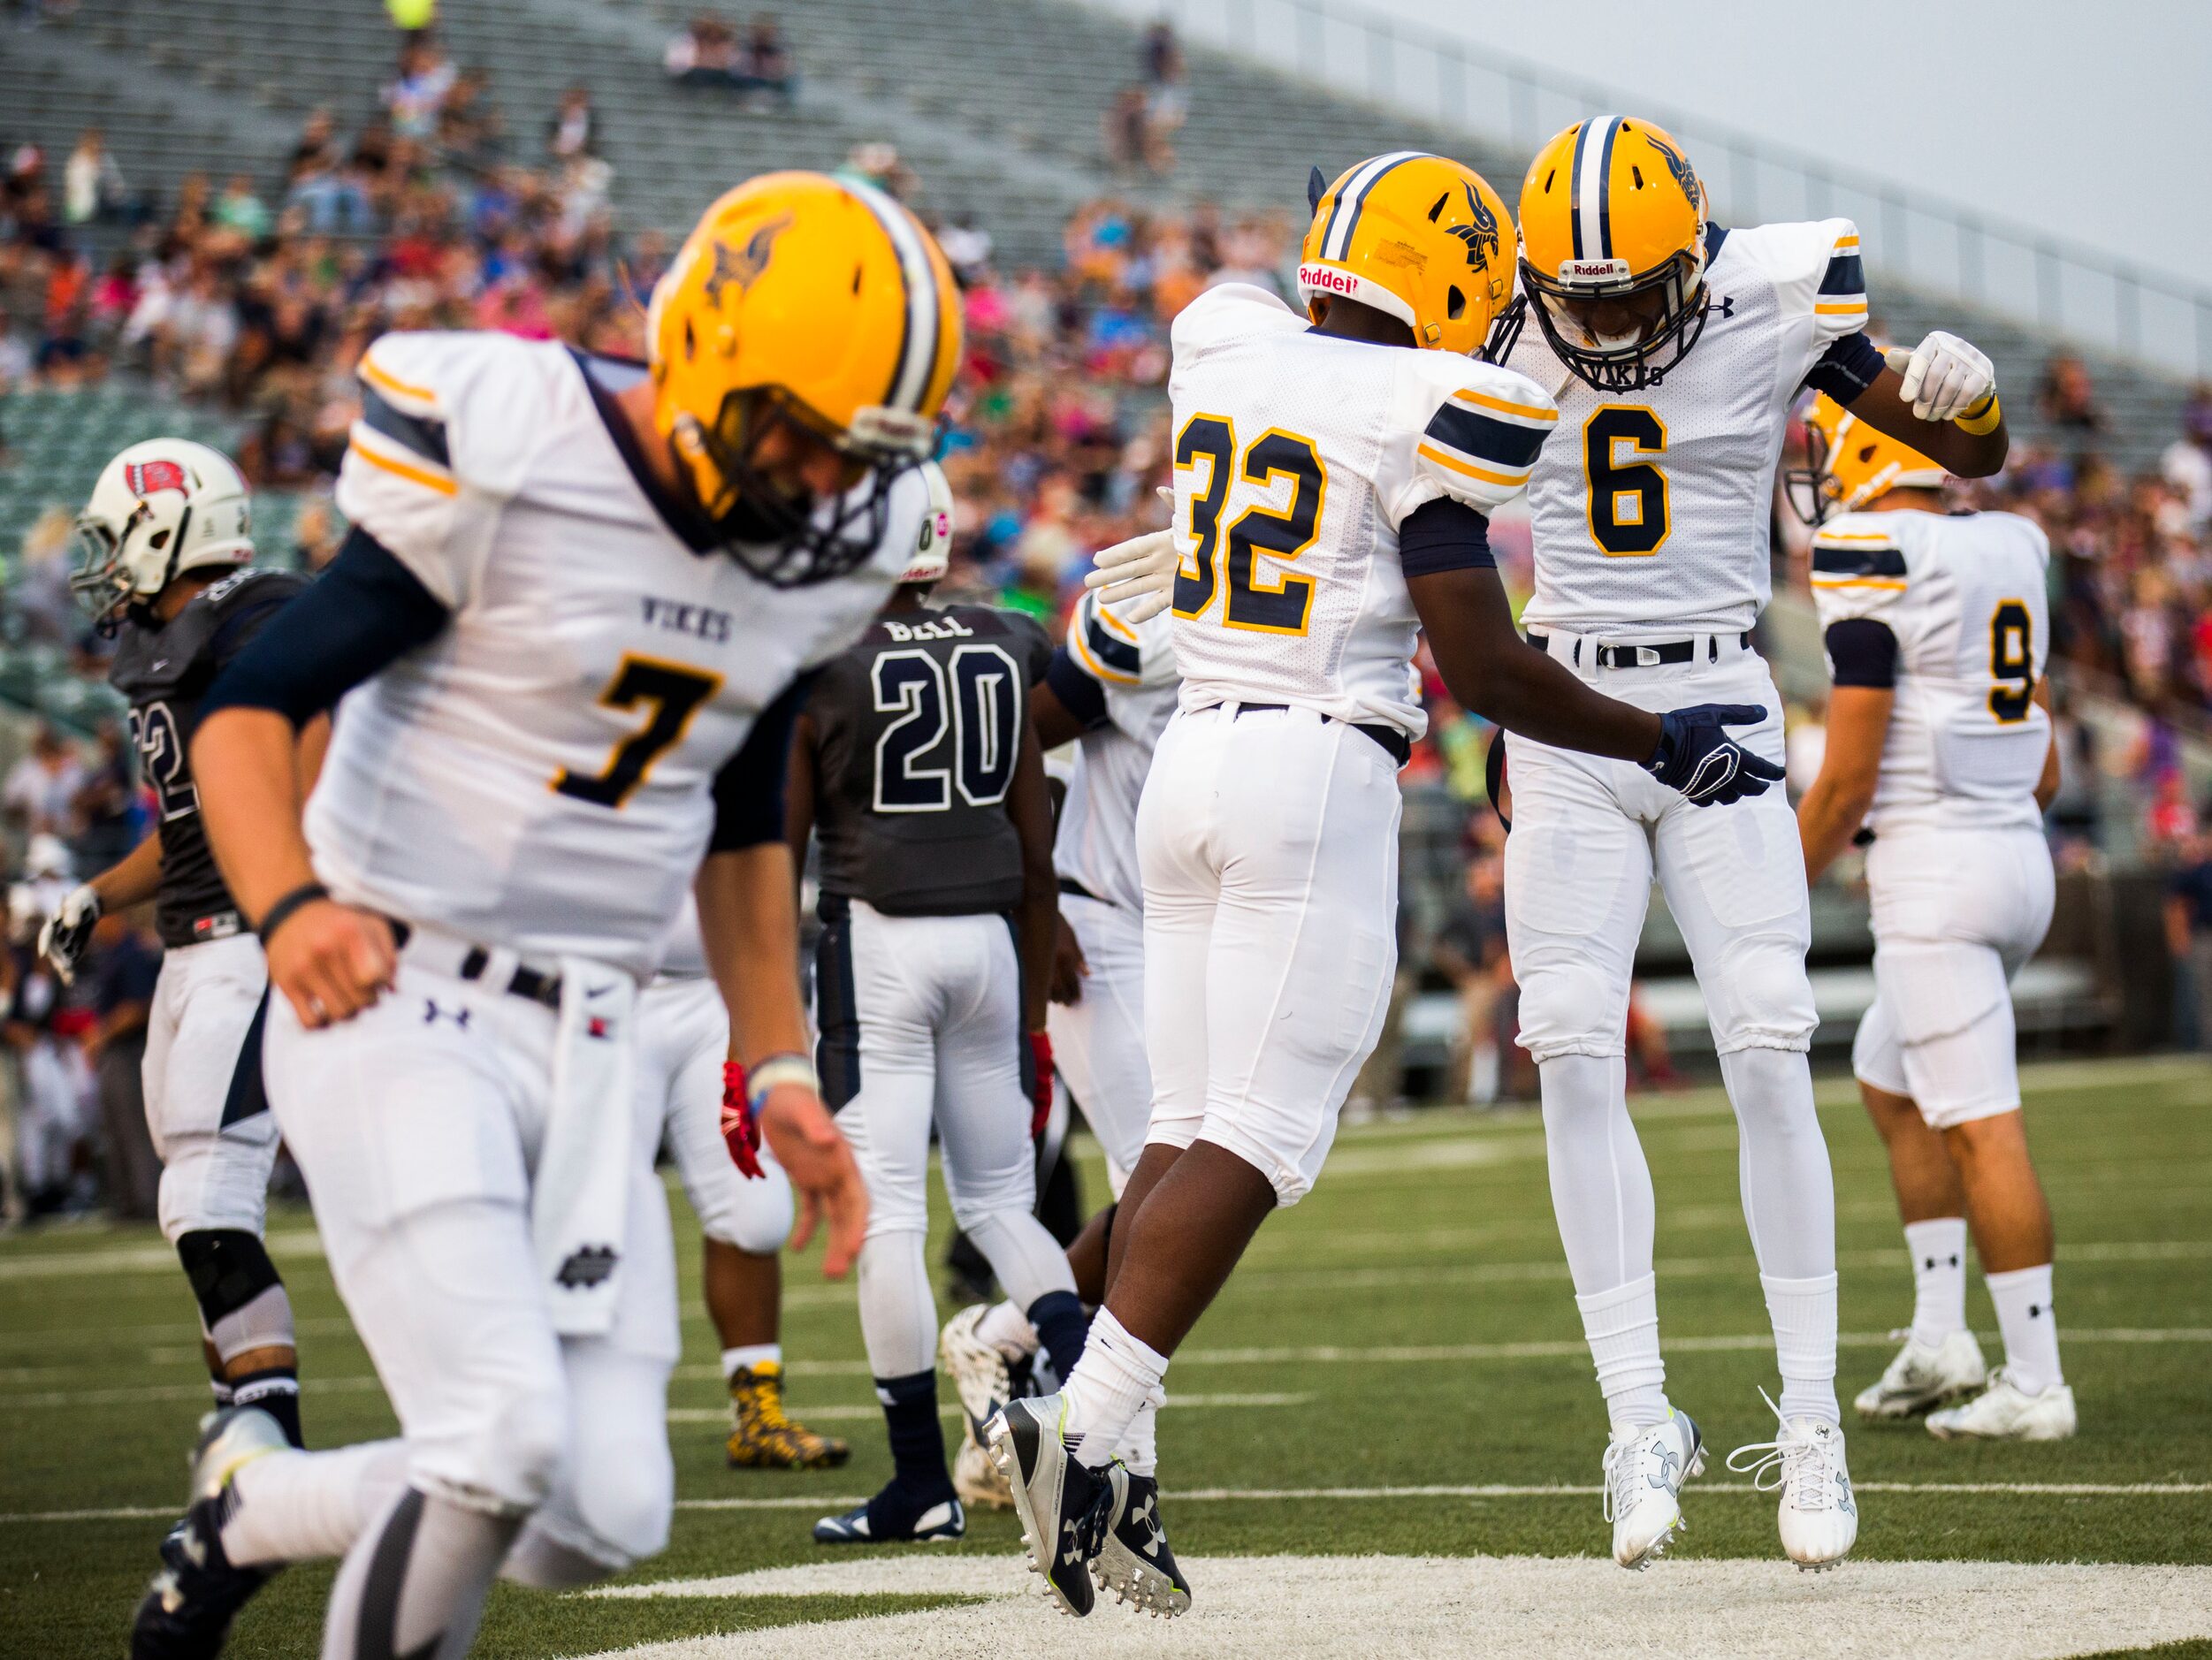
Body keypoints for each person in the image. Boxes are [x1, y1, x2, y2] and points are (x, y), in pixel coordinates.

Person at [128, 170, 956, 1660]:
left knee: (597, 1515)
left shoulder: (818, 553)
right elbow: (247, 712)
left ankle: (252, 1499)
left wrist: (776, 1067)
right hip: (400, 994)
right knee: (497, 1439)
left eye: (860, 457)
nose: (829, 483)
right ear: (704, 353)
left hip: (594, 1033)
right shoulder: (515, 444)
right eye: (804, 438)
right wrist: (294, 898)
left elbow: (740, 811)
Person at [988, 151, 1782, 1620]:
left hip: (1187, 767)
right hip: (1311, 766)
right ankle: (1081, 1423)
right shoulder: (1427, 404)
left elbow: (1275, 337)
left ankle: (1086, 1427)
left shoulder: (1221, 337)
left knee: (1185, 1121)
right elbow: (1481, 665)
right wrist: (1658, 738)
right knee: (1269, 1138)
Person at [1499, 115, 2009, 1570]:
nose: (1594, 324)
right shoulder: (1495, 322)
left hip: (1720, 686)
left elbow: (1959, 441)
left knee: (1771, 1039)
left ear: (1695, 256)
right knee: (1573, 1043)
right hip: (1566, 700)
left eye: (1623, 291)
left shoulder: (1776, 297)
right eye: (1571, 294)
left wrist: (1961, 400)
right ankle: (1635, 1414)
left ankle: (1808, 1419)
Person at [787, 461, 1086, 1546]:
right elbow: (1037, 833)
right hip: (994, 945)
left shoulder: (819, 660)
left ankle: (919, 1484)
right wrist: (1041, 1008)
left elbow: (777, 858)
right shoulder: (1007, 639)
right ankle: (1097, 1433)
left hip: (881, 946)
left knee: (889, 1225)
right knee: (1006, 1208)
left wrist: (760, 1036)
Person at [1793, 394, 2071, 1441]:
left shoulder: (1871, 546)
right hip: (2015, 856)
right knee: (1887, 1076)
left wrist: (1783, 881)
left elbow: (1851, 776)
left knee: (1979, 1125)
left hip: (1937, 873)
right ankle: (1940, 1334)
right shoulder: (2009, 542)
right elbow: (2041, 756)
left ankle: (2037, 1381)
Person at [39, 439, 317, 1444]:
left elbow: (300, 779)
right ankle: (239, 1436)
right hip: (189, 951)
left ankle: (265, 1449)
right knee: (193, 1210)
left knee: (210, 1199)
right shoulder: (178, 649)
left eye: (118, 542)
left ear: (168, 529)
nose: (107, 567)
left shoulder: (262, 624)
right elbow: (192, 823)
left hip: (254, 942)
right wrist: (95, 896)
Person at [939, 574, 1178, 1512]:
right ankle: (1102, 1443)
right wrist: (1034, 899)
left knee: (1204, 1178)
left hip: (1184, 927)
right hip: (1102, 923)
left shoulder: (1273, 610)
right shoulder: (1150, 610)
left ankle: (999, 1344)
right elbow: (996, 750)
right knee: (1157, 1184)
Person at [87, 905, 164, 1222]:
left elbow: (137, 1005)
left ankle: (146, 1200)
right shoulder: (113, 952)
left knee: (134, 1127)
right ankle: (128, 1201)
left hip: (131, 1049)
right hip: (116, 1050)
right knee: (117, 1128)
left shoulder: (130, 952)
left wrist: (100, 1036)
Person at [2168, 823, 2212, 1050]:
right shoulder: (2198, 871)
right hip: (2205, 935)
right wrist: (2178, 938)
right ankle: (2207, 1046)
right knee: (2205, 993)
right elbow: (2177, 905)